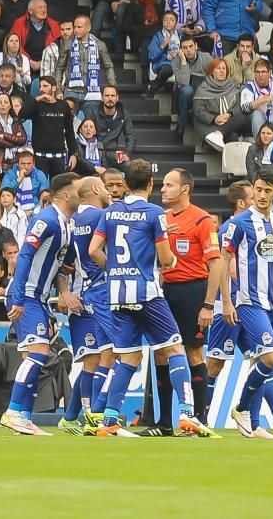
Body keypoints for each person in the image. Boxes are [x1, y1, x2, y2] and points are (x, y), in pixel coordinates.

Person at [84, 160, 215, 438]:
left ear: (126, 184)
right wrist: (169, 260)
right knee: (175, 349)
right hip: (147, 292)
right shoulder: (155, 213)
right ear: (151, 184)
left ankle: (108, 420)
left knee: (128, 357)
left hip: (117, 293)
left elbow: (94, 250)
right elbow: (166, 258)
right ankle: (188, 414)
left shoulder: (109, 213)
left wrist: (115, 270)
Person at [132, 168, 222, 436]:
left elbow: (215, 265)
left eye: (170, 185)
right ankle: (163, 423)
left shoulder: (203, 220)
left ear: (185, 189)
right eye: (163, 185)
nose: (163, 189)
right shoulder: (160, 218)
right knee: (161, 352)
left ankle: (199, 419)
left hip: (193, 290)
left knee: (193, 352)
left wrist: (208, 305)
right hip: (166, 290)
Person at [218, 167, 273, 438]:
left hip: (271, 304)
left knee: (259, 359)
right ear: (252, 190)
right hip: (247, 302)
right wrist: (226, 302)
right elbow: (223, 262)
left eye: (268, 190)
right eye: (258, 189)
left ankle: (254, 425)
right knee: (270, 357)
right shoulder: (240, 223)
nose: (263, 195)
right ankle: (242, 408)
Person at [0, 172, 80, 436]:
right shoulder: (46, 219)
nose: (81, 194)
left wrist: (64, 292)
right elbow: (24, 254)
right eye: (77, 190)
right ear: (66, 194)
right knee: (39, 353)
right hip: (28, 295)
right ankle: (12, 412)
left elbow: (57, 266)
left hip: (39, 298)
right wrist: (20, 296)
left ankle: (22, 415)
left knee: (31, 355)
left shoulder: (67, 223)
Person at [57, 175, 114, 435]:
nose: (109, 191)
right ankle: (93, 416)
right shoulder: (98, 217)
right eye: (105, 187)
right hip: (95, 296)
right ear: (94, 189)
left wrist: (64, 291)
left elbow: (63, 263)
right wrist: (65, 293)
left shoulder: (74, 222)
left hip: (84, 297)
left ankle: (71, 418)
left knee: (93, 360)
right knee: (105, 355)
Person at [19, 76, 79, 176]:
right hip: (40, 155)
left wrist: (73, 153)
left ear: (54, 88)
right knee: (41, 188)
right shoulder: (36, 105)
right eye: (40, 86)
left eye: (45, 86)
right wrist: (36, 99)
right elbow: (22, 114)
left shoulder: (64, 106)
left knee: (58, 187)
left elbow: (69, 132)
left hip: (59, 155)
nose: (42, 89)